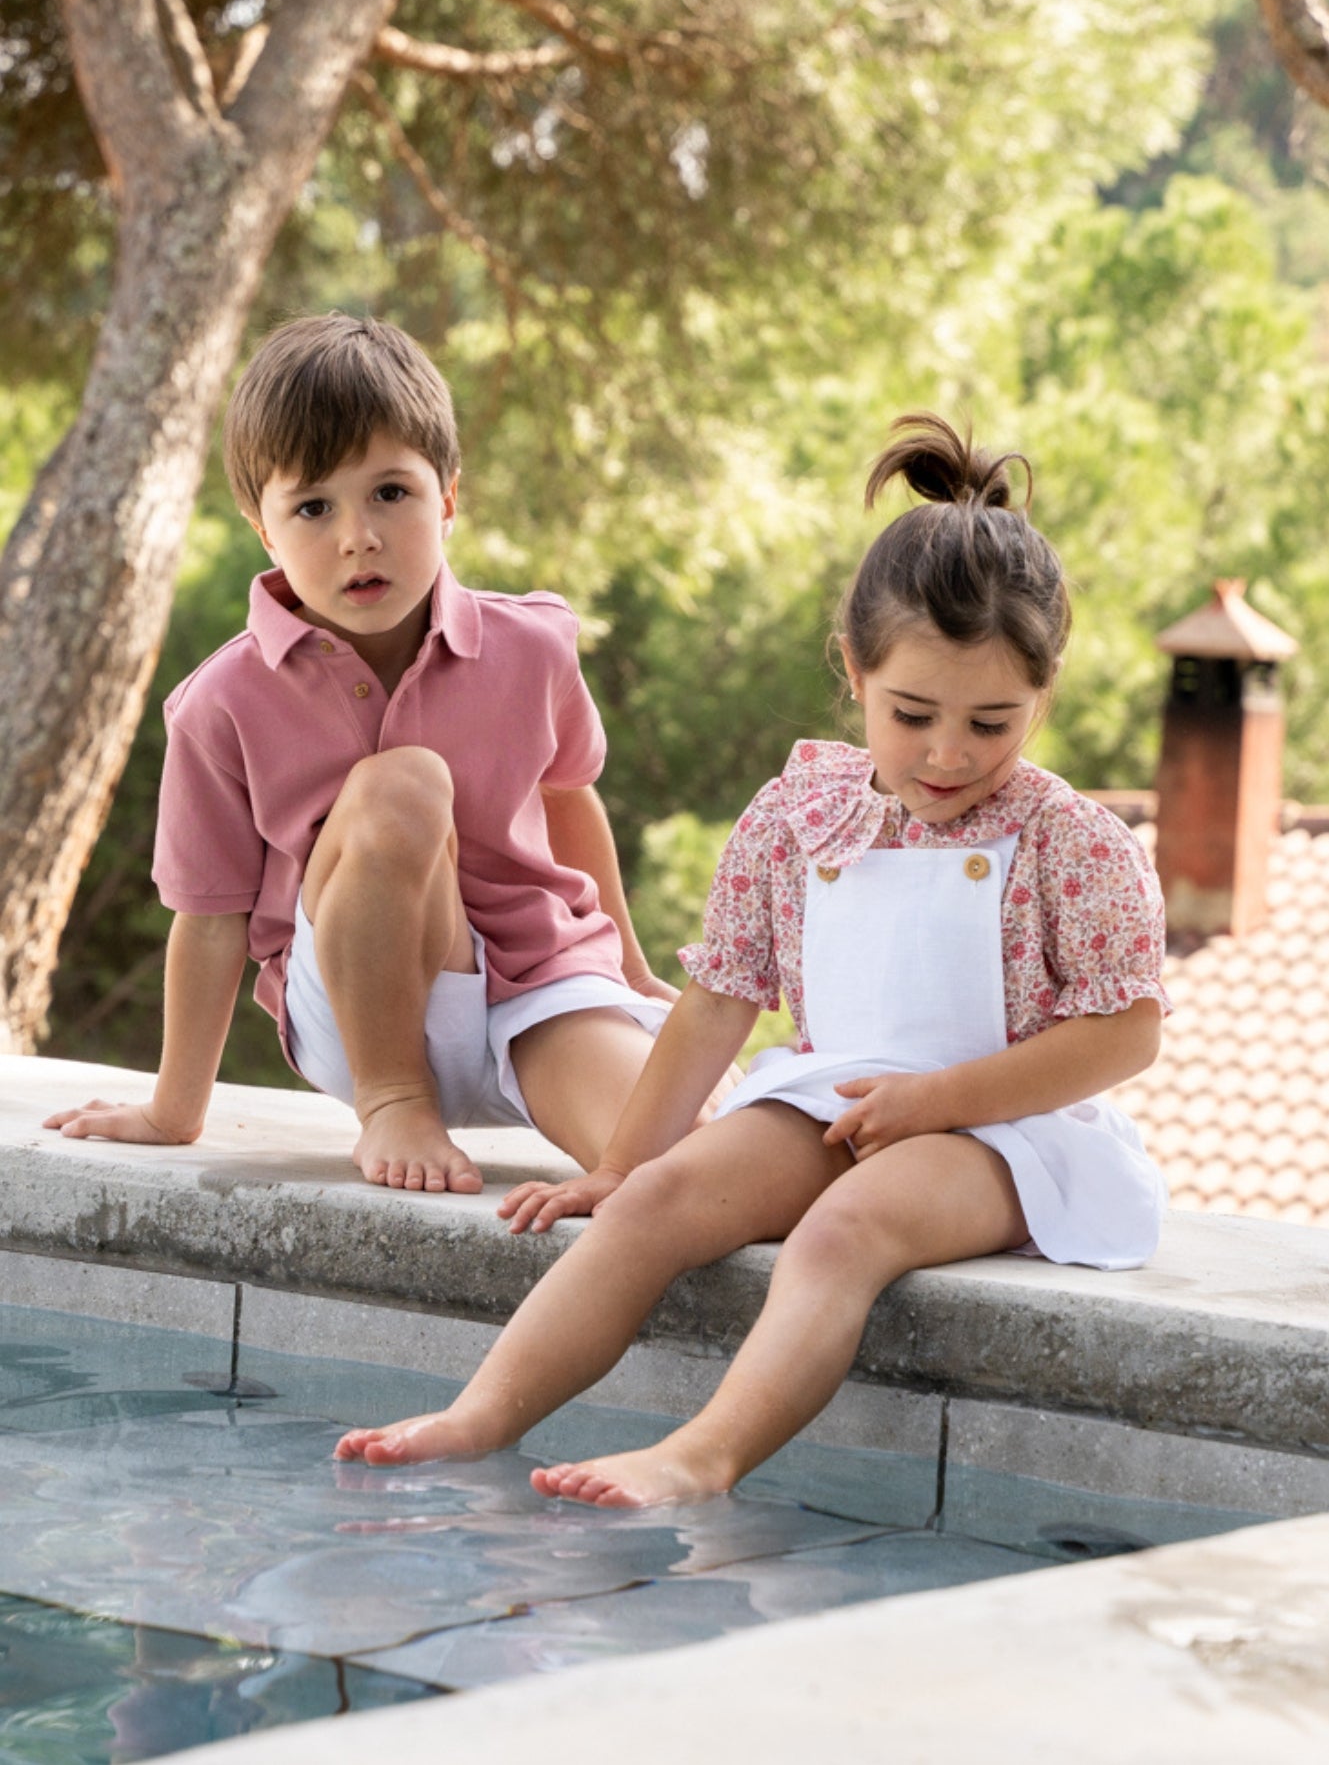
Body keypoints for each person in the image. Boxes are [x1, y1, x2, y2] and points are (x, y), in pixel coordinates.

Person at [334, 411, 1171, 1505]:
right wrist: (619, 1165)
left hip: (1001, 1132)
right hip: (840, 1099)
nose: (948, 753)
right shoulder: (796, 816)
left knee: (843, 1231)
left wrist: (936, 1102)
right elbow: (716, 1003)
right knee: (655, 1201)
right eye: (912, 713)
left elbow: (1124, 1035)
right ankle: (479, 1412)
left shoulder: (1070, 842)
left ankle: (701, 1453)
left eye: (992, 723)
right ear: (853, 671)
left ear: (1042, 698)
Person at [45, 313, 676, 1196]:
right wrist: (174, 1110)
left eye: (390, 493)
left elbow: (566, 796)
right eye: (313, 507)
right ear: (263, 530)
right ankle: (396, 1100)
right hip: (354, 1011)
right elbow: (211, 916)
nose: (358, 536)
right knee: (402, 785)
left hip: (540, 982)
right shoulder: (221, 703)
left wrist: (632, 977)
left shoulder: (533, 647)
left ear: (447, 497)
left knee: (681, 1163)